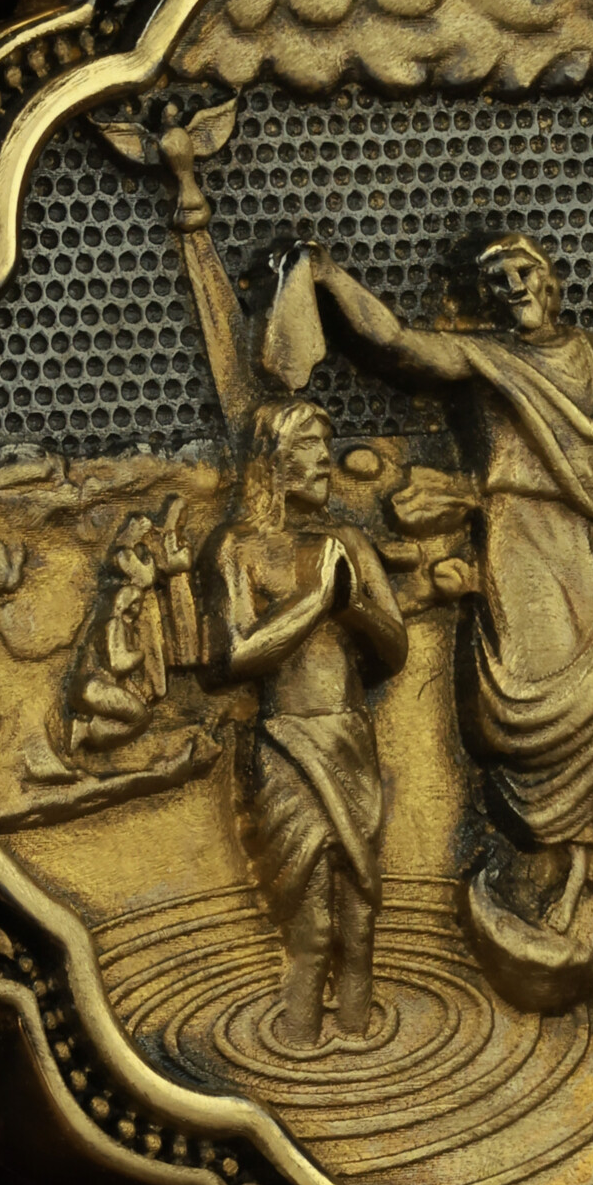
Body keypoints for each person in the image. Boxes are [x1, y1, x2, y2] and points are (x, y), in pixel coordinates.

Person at [305, 232, 593, 956]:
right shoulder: (491, 357)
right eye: (496, 279)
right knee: (528, 697)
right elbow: (396, 343)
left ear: (548, 279)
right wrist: (329, 277)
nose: (512, 286)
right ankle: (547, 862)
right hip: (523, 539)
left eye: (522, 270)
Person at [200, 399, 407, 1050]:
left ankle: (360, 1050)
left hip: (349, 741)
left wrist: (352, 605)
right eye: (310, 447)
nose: (325, 461)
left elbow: (395, 648)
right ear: (273, 462)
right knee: (312, 927)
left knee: (360, 921)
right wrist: (317, 600)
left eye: (326, 445)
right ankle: (295, 1048)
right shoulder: (236, 548)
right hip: (285, 745)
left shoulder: (348, 544)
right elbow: (235, 656)